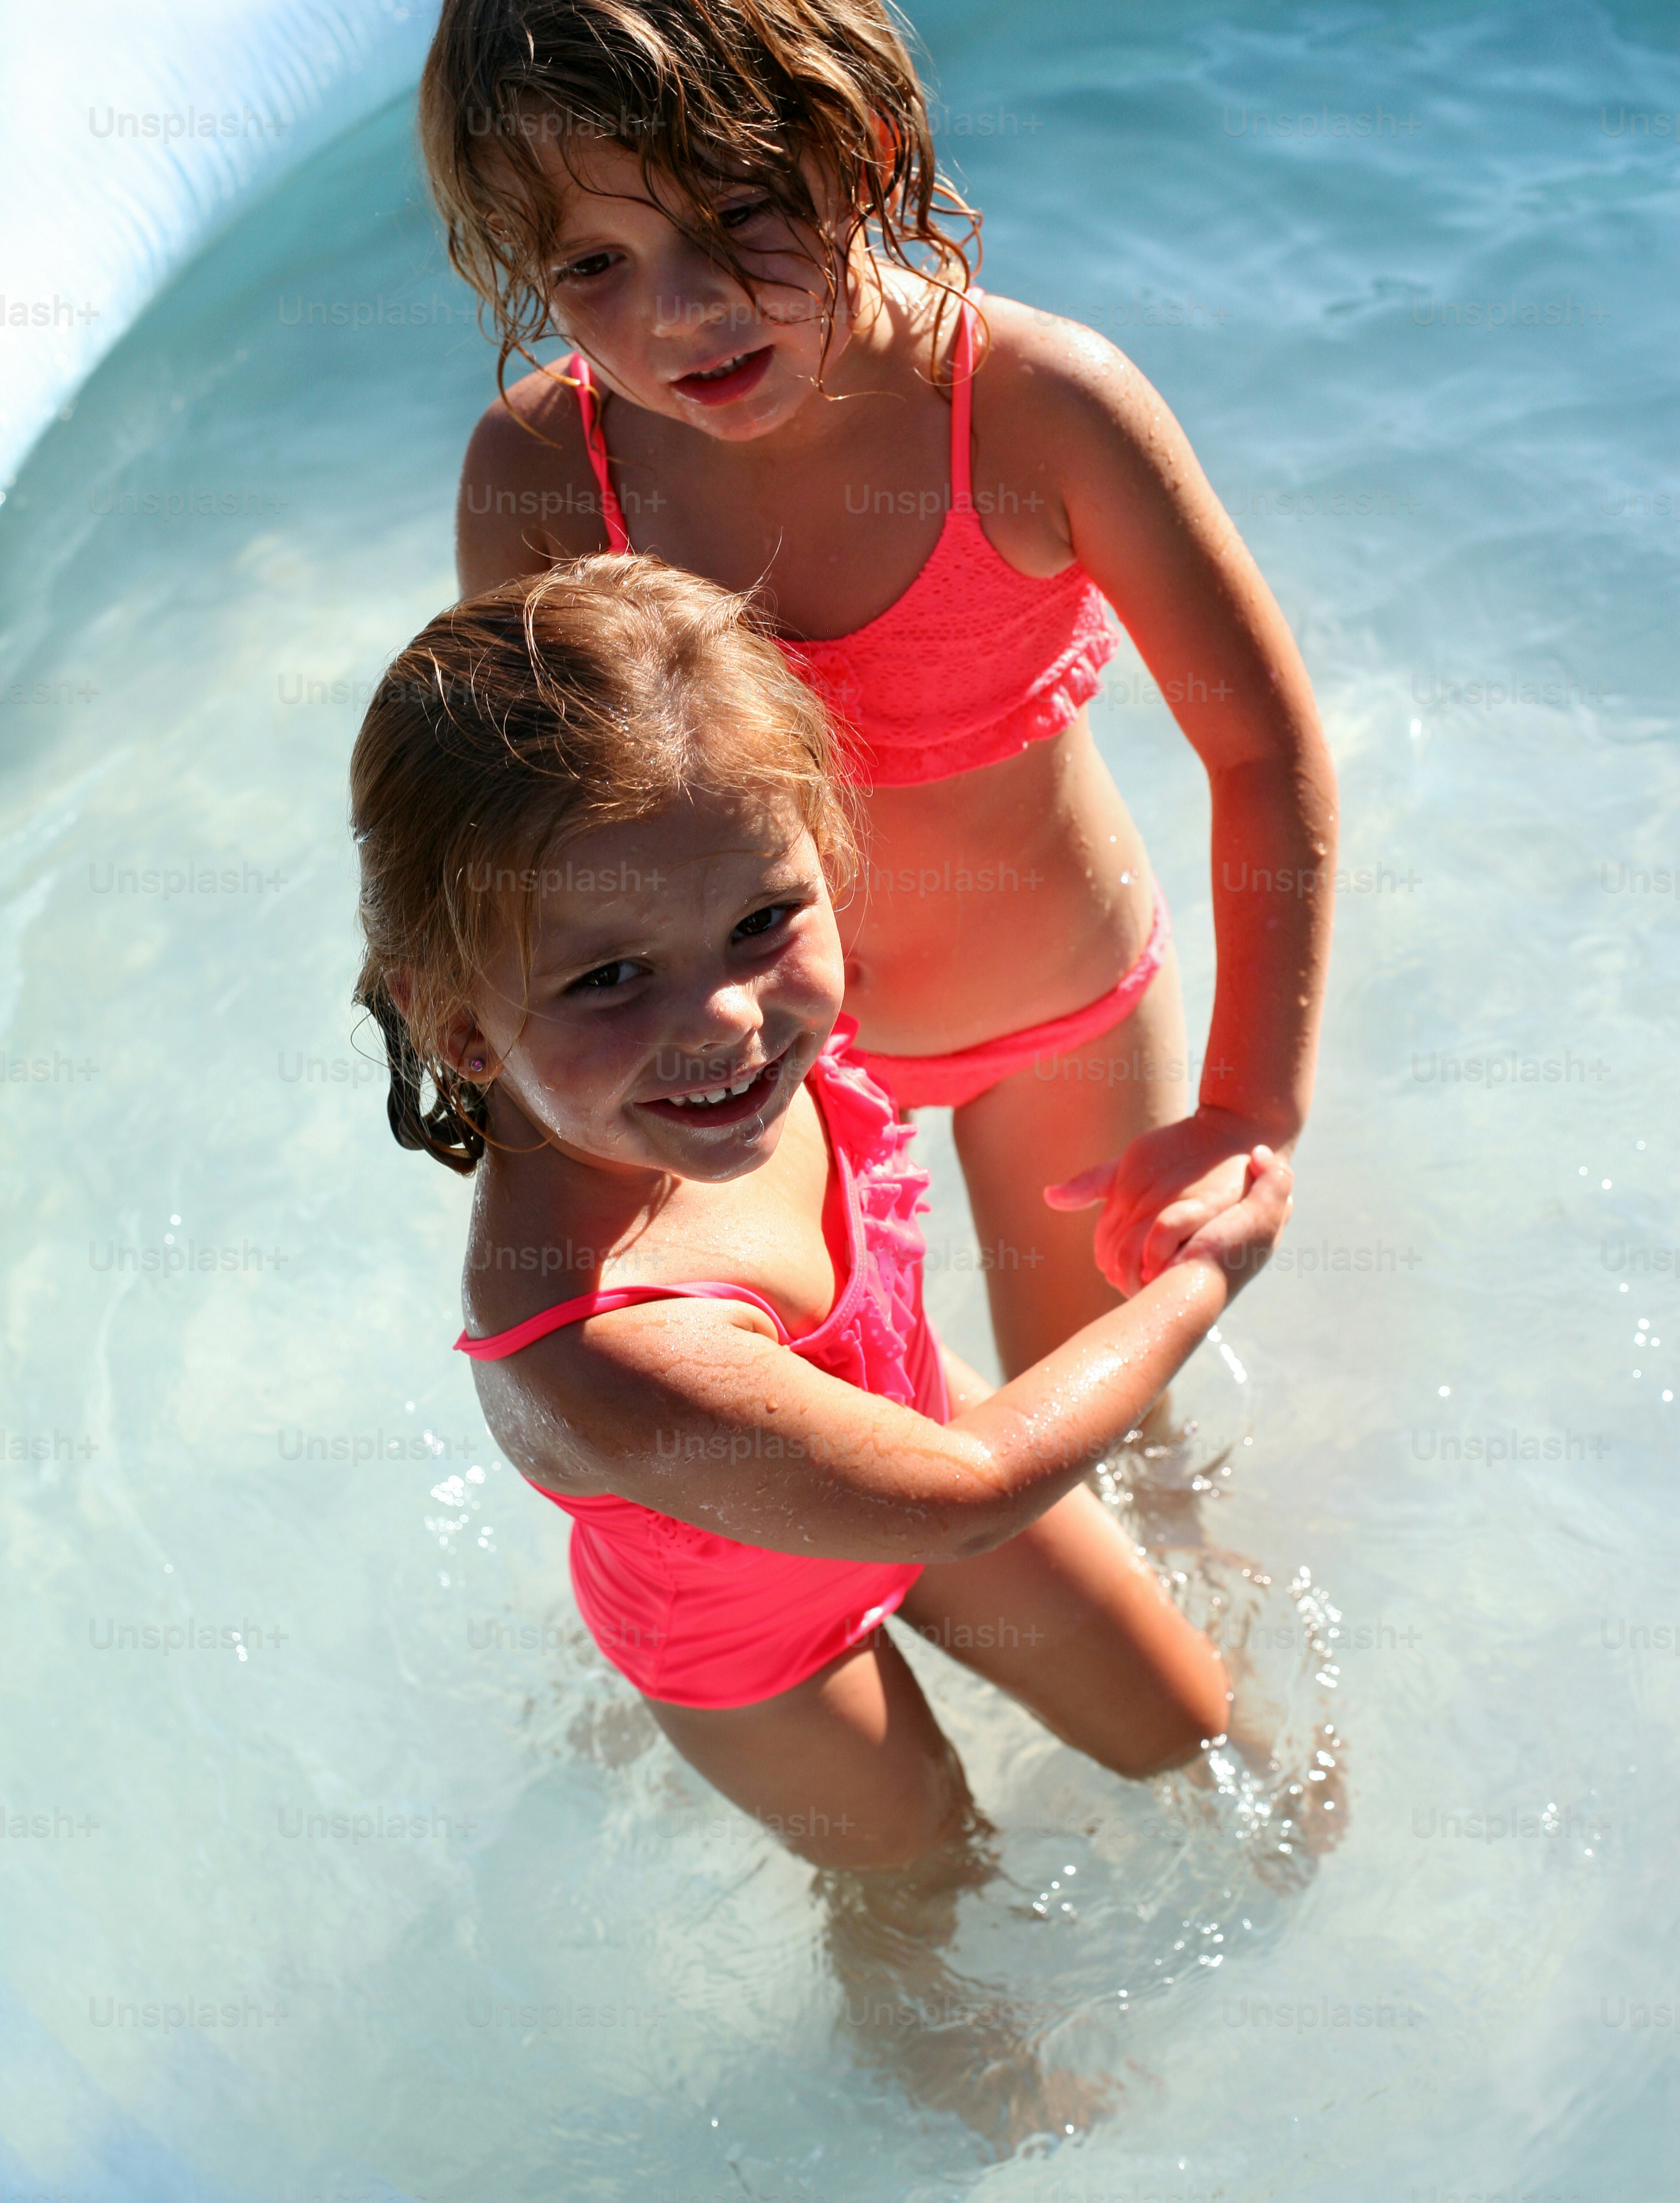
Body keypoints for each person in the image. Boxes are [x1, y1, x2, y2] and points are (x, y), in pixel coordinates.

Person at [417, 0, 1333, 1381]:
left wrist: (1249, 1110)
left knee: (1095, 1430)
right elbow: (519, 848)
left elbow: (1264, 753)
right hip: (750, 1065)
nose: (680, 310)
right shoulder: (549, 476)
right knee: (851, 1479)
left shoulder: (1040, 412)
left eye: (734, 219)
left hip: (1056, 1016)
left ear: (867, 133)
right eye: (593, 264)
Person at [350, 555, 1293, 1870]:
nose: (725, 1019)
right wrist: (1204, 1276)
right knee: (928, 1875)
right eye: (611, 976)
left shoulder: (727, 1061)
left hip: (909, 1431)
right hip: (752, 1641)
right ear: (456, 1020)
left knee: (1213, 1744)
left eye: (763, 920)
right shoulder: (606, 1353)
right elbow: (967, 1496)